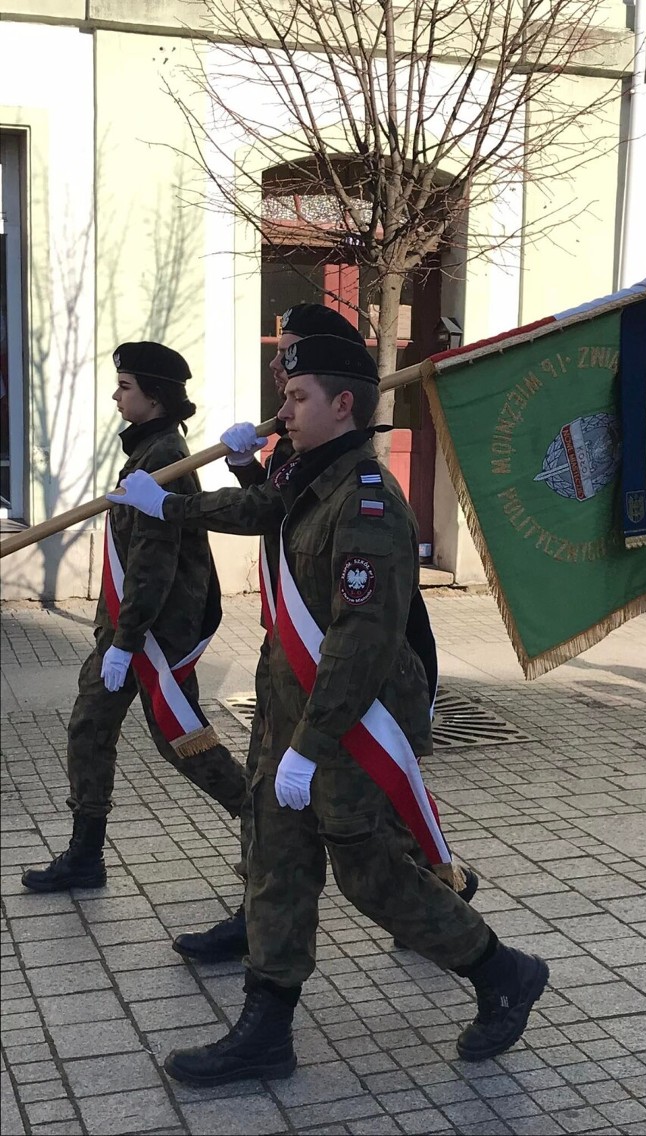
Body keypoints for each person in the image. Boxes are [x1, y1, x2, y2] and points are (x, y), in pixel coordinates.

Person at [108, 335, 549, 1082]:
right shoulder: (311, 477)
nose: (283, 409)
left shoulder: (367, 501)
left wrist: (310, 746)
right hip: (294, 706)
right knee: (277, 865)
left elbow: (361, 643)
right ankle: (265, 1029)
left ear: (344, 405)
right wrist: (190, 495)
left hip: (352, 719)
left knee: (369, 873)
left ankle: (503, 973)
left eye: (298, 396)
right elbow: (260, 507)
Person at [172, 304, 476, 963]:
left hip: (360, 659)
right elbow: (278, 511)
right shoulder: (304, 446)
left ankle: (444, 898)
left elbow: (359, 620)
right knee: (276, 821)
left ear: (339, 394)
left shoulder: (358, 479)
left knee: (378, 830)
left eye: (290, 357)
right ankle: (261, 921)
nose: (277, 368)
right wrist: (244, 468)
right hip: (297, 664)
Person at [21, 343, 247, 893]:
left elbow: (153, 562)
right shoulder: (149, 451)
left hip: (153, 636)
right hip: (131, 631)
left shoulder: (165, 459)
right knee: (91, 728)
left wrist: (126, 641)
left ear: (155, 394)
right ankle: (85, 854)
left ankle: (268, 824)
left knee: (181, 738)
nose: (116, 395)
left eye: (125, 386)